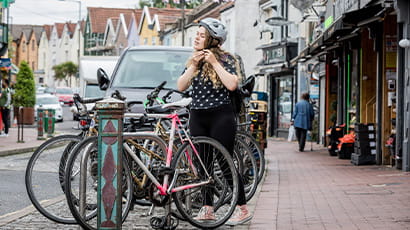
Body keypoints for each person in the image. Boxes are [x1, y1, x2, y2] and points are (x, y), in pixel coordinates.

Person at [177, 17, 252, 226]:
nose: (197, 38)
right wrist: (194, 65)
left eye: (202, 35)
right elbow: (181, 85)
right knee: (203, 164)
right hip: (198, 116)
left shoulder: (227, 58)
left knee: (224, 161)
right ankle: (207, 208)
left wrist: (214, 62)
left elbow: (231, 84)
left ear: (212, 39)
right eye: (197, 34)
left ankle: (242, 208)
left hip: (221, 115)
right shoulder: (194, 60)